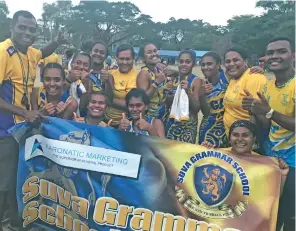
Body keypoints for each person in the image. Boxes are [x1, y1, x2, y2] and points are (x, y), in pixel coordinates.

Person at [0, 10, 67, 231]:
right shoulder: (3, 52)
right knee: (5, 182)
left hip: (22, 127)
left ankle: (15, 222)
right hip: (5, 130)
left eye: (32, 29)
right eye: (22, 27)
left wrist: (56, 42)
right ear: (12, 26)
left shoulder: (30, 53)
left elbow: (42, 52)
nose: (27, 33)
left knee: (16, 178)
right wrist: (25, 112)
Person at [245, 37, 295, 231]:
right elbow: (267, 123)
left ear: (293, 56)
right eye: (270, 53)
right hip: (272, 160)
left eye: (281, 51)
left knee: (288, 216)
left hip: (293, 164)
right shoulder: (268, 86)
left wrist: (269, 112)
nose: (274, 56)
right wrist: (254, 111)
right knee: (268, 215)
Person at [201, 120, 289, 195]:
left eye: (245, 135)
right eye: (235, 135)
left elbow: (269, 199)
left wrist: (282, 175)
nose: (240, 139)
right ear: (229, 138)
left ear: (254, 138)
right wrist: (202, 153)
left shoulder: (263, 165)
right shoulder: (218, 156)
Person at [223, 46, 267, 139]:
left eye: (236, 60)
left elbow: (256, 112)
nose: (231, 64)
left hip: (244, 141)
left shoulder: (254, 77)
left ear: (245, 61)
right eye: (228, 61)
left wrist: (251, 141)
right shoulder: (233, 79)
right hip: (233, 139)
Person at [165, 50, 207, 144]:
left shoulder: (196, 81)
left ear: (193, 64)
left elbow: (196, 108)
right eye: (181, 61)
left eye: (187, 62)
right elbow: (167, 104)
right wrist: (169, 94)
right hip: (172, 124)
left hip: (187, 128)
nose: (184, 64)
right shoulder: (173, 79)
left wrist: (188, 91)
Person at [199, 51, 228, 147]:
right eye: (203, 64)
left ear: (218, 65)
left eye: (209, 64)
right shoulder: (202, 84)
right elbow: (206, 113)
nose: (205, 67)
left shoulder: (228, 80)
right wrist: (202, 95)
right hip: (207, 128)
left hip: (225, 129)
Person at [105, 44, 138, 126]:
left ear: (133, 59)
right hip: (105, 121)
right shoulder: (110, 74)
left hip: (126, 124)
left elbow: (134, 106)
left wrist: (109, 100)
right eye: (121, 59)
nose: (124, 62)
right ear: (116, 59)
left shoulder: (138, 77)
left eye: (128, 59)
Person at [137, 43, 167, 121]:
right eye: (149, 52)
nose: (154, 54)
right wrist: (156, 82)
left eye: (155, 51)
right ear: (143, 58)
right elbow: (142, 99)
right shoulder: (144, 74)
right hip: (150, 117)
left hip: (163, 114)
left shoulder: (159, 70)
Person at [65, 52, 92, 117]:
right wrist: (69, 79)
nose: (81, 67)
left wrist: (85, 83)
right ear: (72, 64)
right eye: (78, 63)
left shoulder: (88, 81)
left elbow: (82, 107)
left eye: (85, 65)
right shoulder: (63, 75)